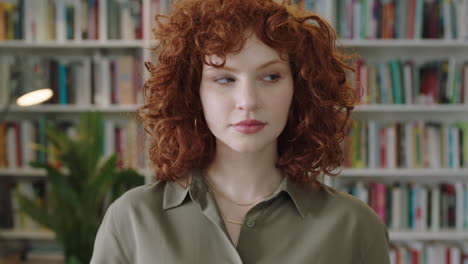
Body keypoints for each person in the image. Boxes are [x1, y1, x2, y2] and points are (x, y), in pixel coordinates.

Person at [90, 0, 390, 263]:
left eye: (270, 76)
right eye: (224, 79)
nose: (248, 102)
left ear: (298, 90)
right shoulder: (132, 218)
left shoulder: (355, 225)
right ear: (193, 92)